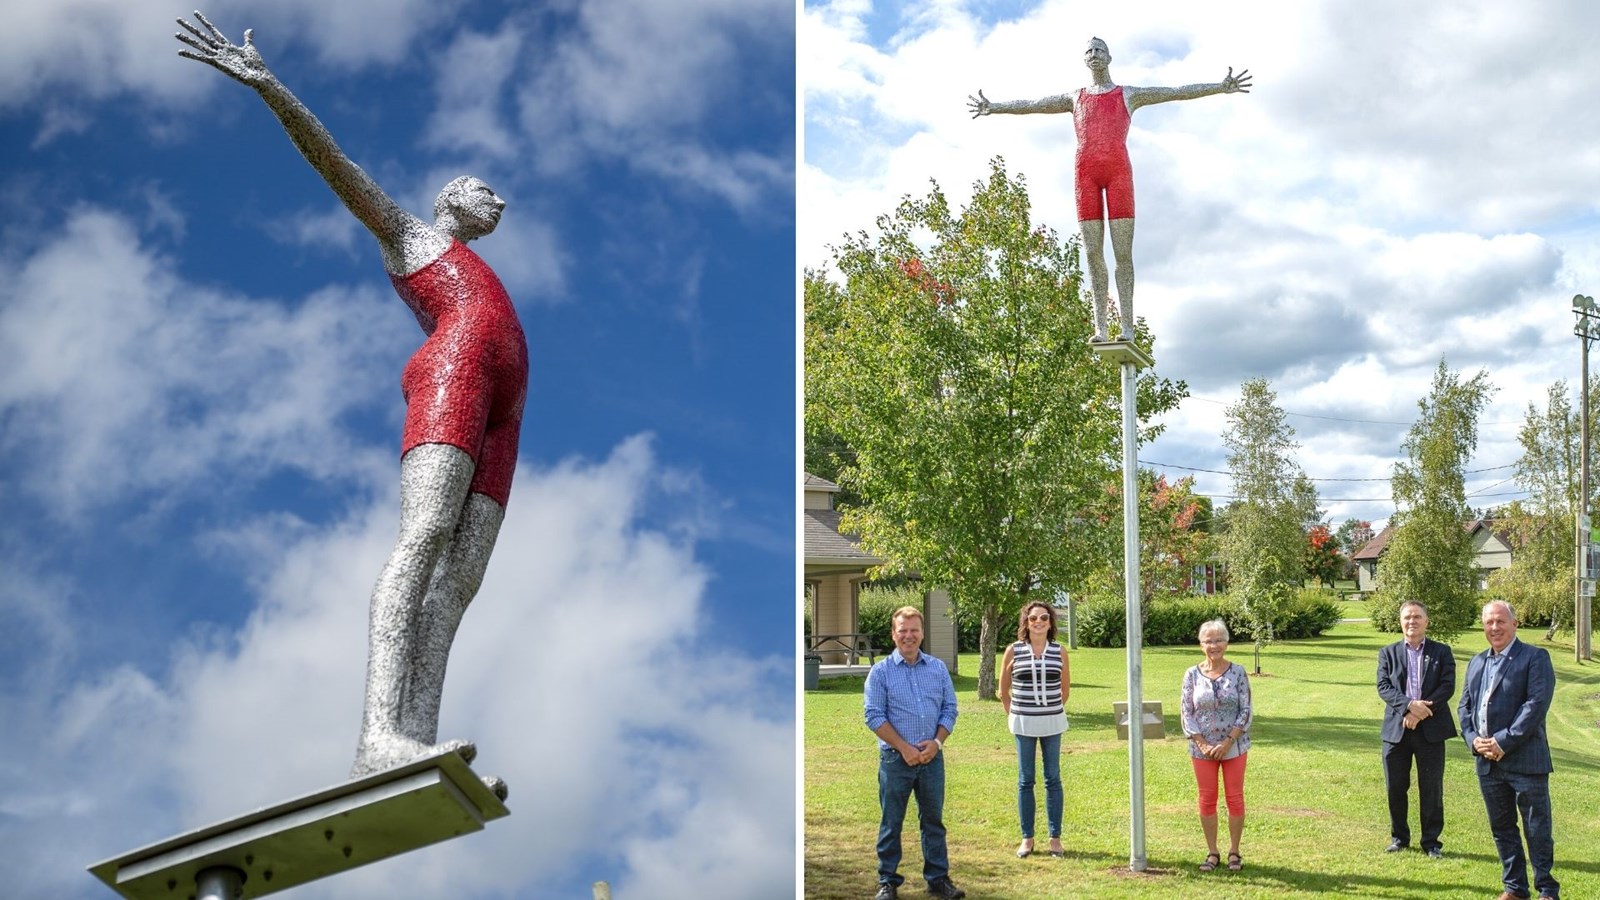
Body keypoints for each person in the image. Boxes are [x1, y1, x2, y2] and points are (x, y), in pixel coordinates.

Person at [175, 13, 527, 793]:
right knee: (425, 535)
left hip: (505, 410)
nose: (497, 198)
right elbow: (338, 167)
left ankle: (419, 741)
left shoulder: (483, 270)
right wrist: (271, 89)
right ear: (449, 199)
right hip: (454, 378)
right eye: (482, 187)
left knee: (461, 579)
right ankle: (377, 737)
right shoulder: (412, 238)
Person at [968, 38, 1251, 342]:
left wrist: (1220, 86)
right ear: (1084, 59)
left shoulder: (1128, 94)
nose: (1093, 54)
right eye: (1089, 51)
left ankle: (1127, 327)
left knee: (1122, 254)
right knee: (1092, 253)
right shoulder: (1074, 97)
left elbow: (1175, 92)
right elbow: (1034, 105)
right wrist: (994, 107)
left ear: (1110, 57)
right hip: (1085, 175)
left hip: (1118, 176)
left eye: (1099, 50)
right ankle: (1100, 327)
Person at [1459, 600, 1560, 900]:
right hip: (1488, 764)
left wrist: (1503, 741)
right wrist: (1473, 740)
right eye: (1489, 622)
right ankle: (1515, 888)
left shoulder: (1534, 657)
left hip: (1525, 761)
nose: (1494, 627)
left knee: (1536, 830)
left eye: (1501, 621)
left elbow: (1535, 706)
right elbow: (1465, 706)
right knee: (1502, 828)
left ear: (1515, 624)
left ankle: (1547, 890)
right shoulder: (1477, 662)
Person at [863, 606, 964, 900]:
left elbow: (950, 709)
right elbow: (873, 715)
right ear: (893, 635)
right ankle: (887, 882)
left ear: (922, 633)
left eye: (914, 630)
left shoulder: (937, 668)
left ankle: (938, 879)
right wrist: (904, 747)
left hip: (932, 758)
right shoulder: (880, 672)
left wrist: (937, 743)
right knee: (891, 821)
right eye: (902, 630)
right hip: (896, 759)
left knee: (933, 820)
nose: (909, 636)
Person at [1376, 600, 1457, 857]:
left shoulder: (1442, 652)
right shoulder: (1387, 653)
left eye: (1417, 617)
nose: (1412, 622)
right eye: (1407, 617)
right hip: (1396, 730)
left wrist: (1421, 712)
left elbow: (1447, 686)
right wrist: (1410, 706)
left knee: (1431, 787)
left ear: (1426, 621)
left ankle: (1431, 842)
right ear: (1401, 622)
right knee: (1395, 786)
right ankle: (1399, 838)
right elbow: (1384, 687)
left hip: (1431, 731)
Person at [1180, 619, 1251, 873]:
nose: (1214, 645)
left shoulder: (1238, 672)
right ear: (1201, 645)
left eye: (1219, 640)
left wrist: (1227, 741)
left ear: (1227, 643)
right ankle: (1212, 852)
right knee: (1207, 799)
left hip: (1234, 746)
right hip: (1202, 749)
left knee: (1235, 798)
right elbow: (1186, 712)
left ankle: (1234, 851)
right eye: (1208, 641)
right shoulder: (1191, 674)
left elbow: (1246, 710)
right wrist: (1202, 743)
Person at [999, 601, 1069, 859]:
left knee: (1053, 778)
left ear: (1050, 622)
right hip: (1023, 723)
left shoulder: (1059, 651)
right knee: (1025, 779)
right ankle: (1027, 838)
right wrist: (1015, 714)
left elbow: (1065, 690)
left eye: (1043, 618)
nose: (1038, 622)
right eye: (1032, 618)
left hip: (1052, 722)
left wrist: (1050, 709)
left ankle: (1055, 838)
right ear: (1025, 623)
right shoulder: (1013, 650)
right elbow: (1003, 690)